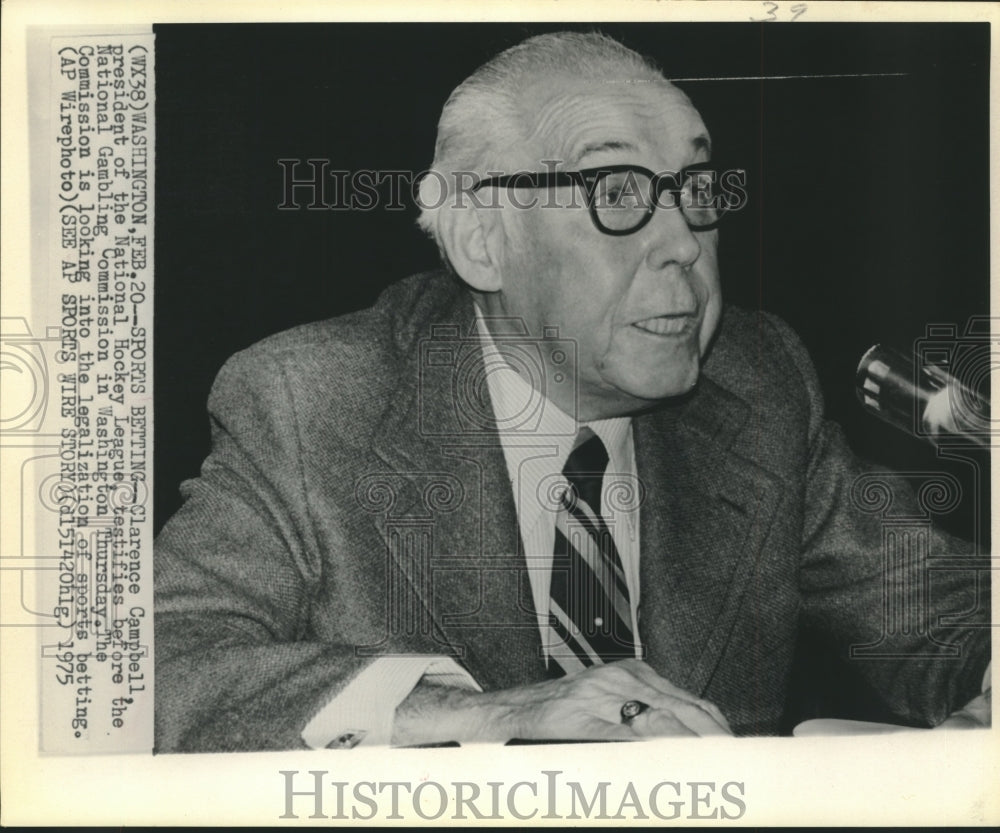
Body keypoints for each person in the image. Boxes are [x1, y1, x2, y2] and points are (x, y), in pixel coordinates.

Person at [153, 31, 990, 752]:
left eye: (696, 191)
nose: (683, 245)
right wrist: (477, 713)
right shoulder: (314, 400)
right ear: (483, 241)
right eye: (616, 192)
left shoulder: (756, 386)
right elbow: (151, 664)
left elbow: (940, 611)